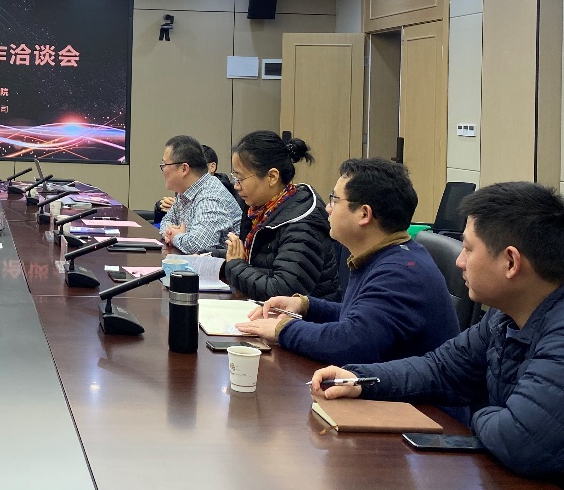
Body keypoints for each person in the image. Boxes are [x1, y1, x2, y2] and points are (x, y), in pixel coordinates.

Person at [313, 182, 564, 490]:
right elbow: (442, 368)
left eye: (469, 249)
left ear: (511, 262)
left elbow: (521, 442)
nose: (459, 261)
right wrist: (360, 379)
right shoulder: (513, 309)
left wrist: (481, 413)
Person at [235, 158, 459, 364]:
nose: (327, 208)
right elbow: (358, 316)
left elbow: (351, 343)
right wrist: (306, 306)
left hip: (416, 397)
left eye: (335, 200)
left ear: (364, 214)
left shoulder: (399, 273)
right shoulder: (387, 255)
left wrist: (284, 329)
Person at [221, 131, 341, 301]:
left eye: (240, 178)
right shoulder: (262, 210)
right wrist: (209, 258)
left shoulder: (302, 225)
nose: (236, 186)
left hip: (303, 317)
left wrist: (234, 266)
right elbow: (253, 257)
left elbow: (282, 292)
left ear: (272, 177)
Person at [158, 135, 243, 255]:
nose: (163, 170)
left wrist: (175, 237)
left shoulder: (211, 196)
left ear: (184, 169)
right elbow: (166, 221)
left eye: (165, 165)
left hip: (219, 266)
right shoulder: (186, 191)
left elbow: (199, 246)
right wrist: (173, 233)